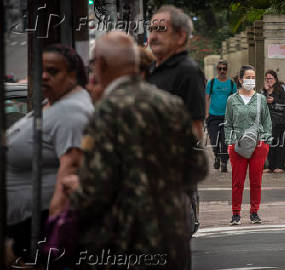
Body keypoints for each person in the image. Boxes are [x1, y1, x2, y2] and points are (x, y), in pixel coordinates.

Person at [64, 31, 208, 270]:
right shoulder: (170, 105)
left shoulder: (106, 111)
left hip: (126, 243)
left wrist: (74, 189)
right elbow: (198, 167)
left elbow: (96, 190)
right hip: (172, 236)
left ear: (101, 64)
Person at [5, 44, 94, 263]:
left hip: (39, 225)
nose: (44, 77)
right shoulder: (53, 102)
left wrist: (52, 236)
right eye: (40, 71)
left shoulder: (72, 112)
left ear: (72, 75)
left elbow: (71, 170)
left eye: (53, 71)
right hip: (26, 223)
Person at [147, 4, 205, 139]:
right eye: (151, 30)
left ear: (181, 36)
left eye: (160, 30)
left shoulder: (188, 72)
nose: (153, 37)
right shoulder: (150, 69)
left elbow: (195, 129)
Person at [225, 65, 272, 226]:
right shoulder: (232, 100)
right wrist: (230, 142)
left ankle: (254, 212)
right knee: (237, 181)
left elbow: (267, 121)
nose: (251, 80)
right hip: (237, 145)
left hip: (258, 144)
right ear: (240, 79)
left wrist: (265, 140)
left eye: (253, 77)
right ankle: (236, 214)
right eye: (248, 77)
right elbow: (228, 123)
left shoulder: (261, 99)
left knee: (256, 180)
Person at [205, 59, 237, 172]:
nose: (222, 71)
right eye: (220, 68)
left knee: (225, 141)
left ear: (227, 70)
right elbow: (206, 98)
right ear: (217, 70)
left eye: (224, 68)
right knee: (214, 141)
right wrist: (206, 113)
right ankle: (217, 156)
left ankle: (224, 162)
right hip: (213, 117)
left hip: (227, 117)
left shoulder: (231, 84)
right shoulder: (212, 83)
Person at [262, 70, 285, 173]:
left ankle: (280, 166)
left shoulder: (281, 87)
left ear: (275, 79)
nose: (268, 80)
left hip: (281, 120)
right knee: (270, 143)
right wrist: (265, 91)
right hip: (269, 121)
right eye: (267, 79)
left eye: (270, 78)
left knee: (280, 143)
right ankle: (271, 166)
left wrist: (274, 101)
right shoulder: (263, 90)